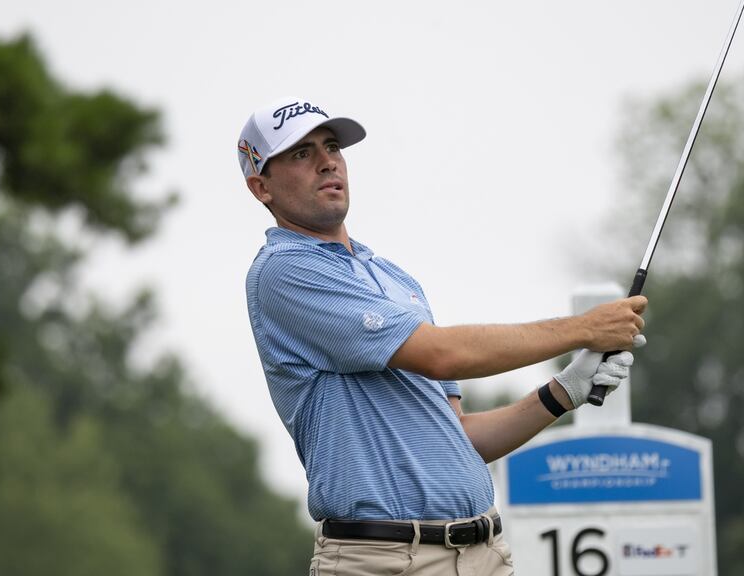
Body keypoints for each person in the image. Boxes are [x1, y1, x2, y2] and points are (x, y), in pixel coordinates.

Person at [240, 96, 647, 576]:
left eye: (332, 147)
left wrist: (565, 390)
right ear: (261, 186)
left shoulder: (395, 279)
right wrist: (584, 328)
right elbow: (443, 355)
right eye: (301, 153)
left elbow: (460, 437)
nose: (328, 161)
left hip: (484, 552)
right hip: (383, 560)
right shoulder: (285, 272)